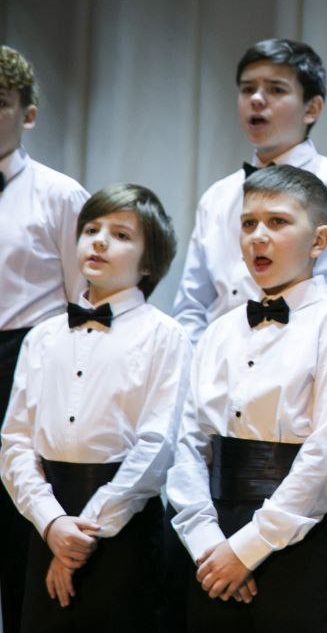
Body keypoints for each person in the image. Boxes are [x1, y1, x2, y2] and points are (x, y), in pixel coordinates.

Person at [167, 165, 327, 631]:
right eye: (249, 223)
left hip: (298, 538)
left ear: (319, 240)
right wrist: (209, 543)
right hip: (212, 538)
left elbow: (326, 456)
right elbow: (188, 444)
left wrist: (248, 549)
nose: (258, 236)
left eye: (278, 222)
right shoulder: (219, 331)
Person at [1, 183, 186, 632]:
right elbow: (16, 441)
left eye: (120, 235)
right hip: (46, 519)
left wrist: (82, 535)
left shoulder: (165, 335)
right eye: (91, 230)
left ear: (149, 261)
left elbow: (157, 445)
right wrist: (52, 524)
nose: (99, 241)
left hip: (124, 524)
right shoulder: (42, 337)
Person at [171, 38, 327, 344]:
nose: (257, 99)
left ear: (312, 108)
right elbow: (191, 305)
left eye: (276, 89)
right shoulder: (217, 196)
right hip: (218, 362)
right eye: (248, 89)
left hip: (297, 361)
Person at [0, 44, 89, 632]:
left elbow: (85, 300)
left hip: (26, 360)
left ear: (27, 115)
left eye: (0, 102)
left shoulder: (59, 194)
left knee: (20, 527)